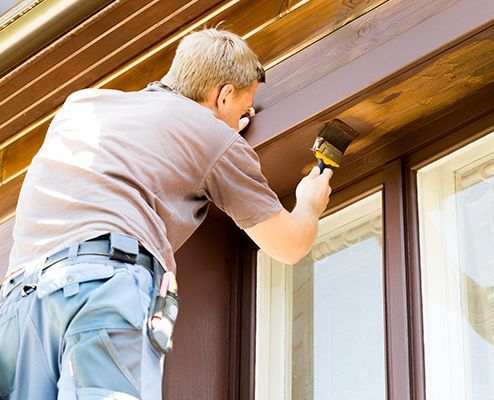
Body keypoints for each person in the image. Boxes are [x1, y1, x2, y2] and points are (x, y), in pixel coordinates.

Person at [0, 29, 332, 399]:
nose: (244, 117)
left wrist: (217, 125)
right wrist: (309, 205)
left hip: (19, 300)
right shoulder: (212, 137)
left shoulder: (82, 106)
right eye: (243, 108)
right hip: (103, 284)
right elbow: (289, 245)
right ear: (223, 95)